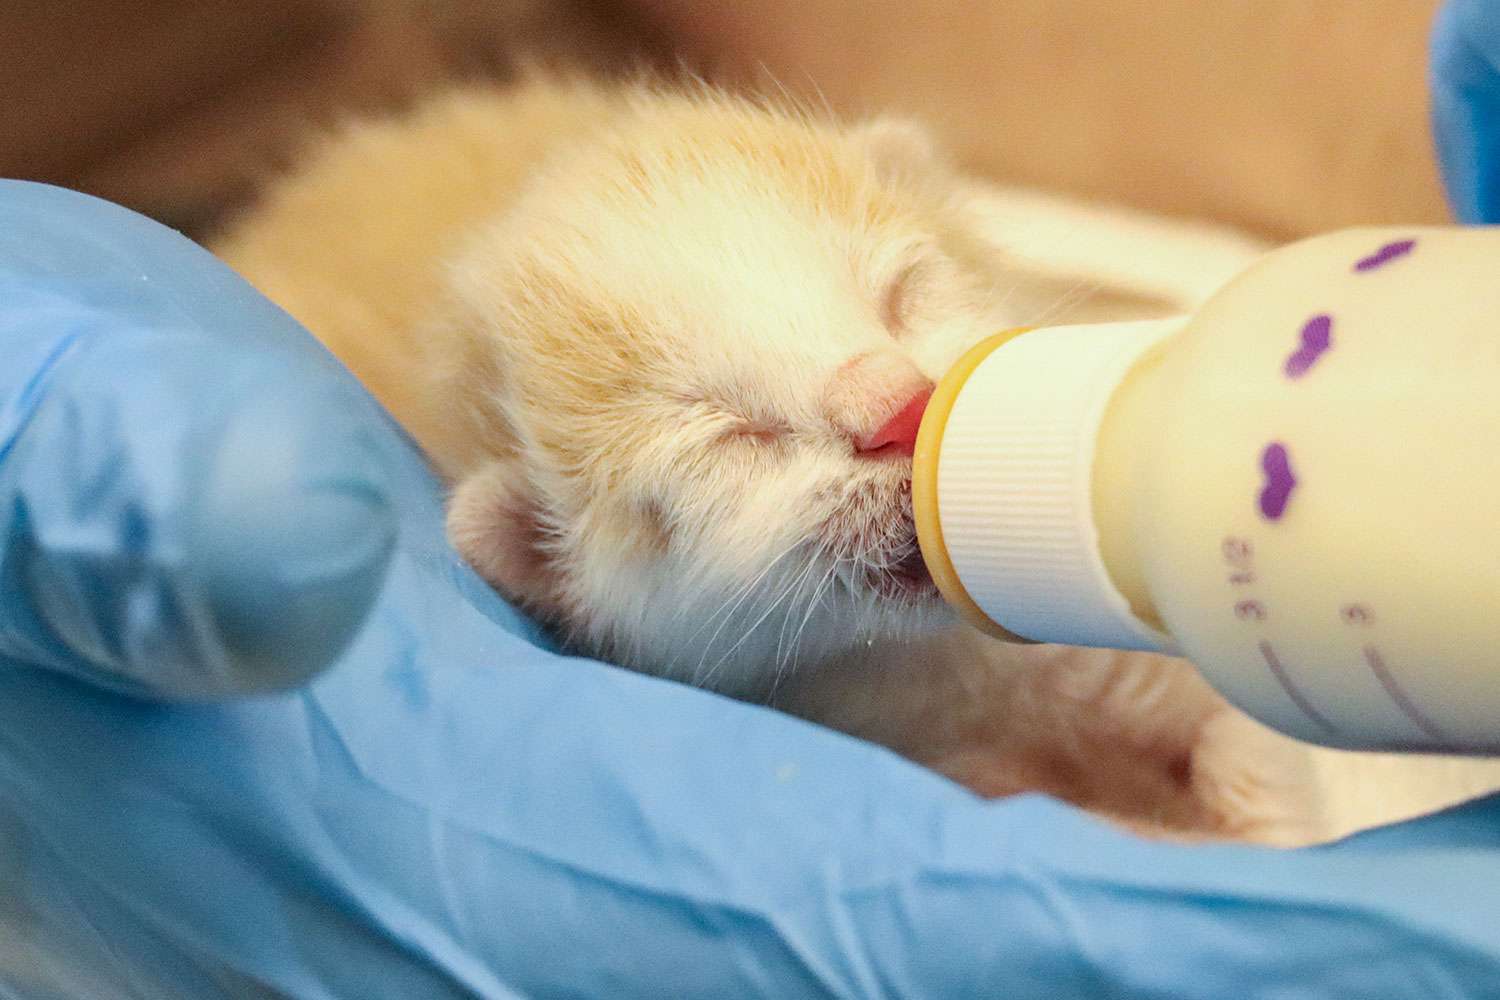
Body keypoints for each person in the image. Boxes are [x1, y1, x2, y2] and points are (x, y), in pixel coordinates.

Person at [1, 6, 1498, 995]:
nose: (884, 406)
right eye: (719, 446)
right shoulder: (562, 594)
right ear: (545, 566)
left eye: (911, 294)